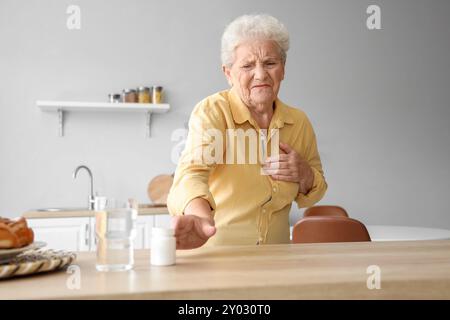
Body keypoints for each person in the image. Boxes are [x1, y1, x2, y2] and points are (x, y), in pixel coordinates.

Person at [167, 14, 327, 249]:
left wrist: (304, 174)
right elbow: (191, 175)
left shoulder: (298, 122)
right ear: (228, 73)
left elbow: (316, 189)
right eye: (247, 65)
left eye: (270, 63)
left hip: (277, 259)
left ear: (283, 69)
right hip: (219, 258)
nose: (261, 74)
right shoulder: (214, 112)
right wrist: (200, 218)